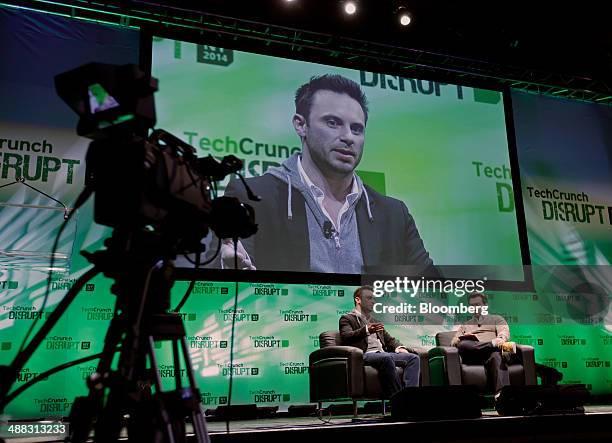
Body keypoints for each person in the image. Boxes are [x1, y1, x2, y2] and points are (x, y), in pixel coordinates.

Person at [221, 74, 432, 273]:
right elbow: (222, 286)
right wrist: (227, 272)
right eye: (333, 123)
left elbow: (437, 293)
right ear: (301, 125)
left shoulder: (394, 214)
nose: (348, 137)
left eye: (357, 129)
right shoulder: (251, 197)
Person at [339, 285, 421, 398]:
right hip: (364, 355)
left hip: (383, 354)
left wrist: (399, 347)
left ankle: (410, 397)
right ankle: (399, 400)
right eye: (369, 298)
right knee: (387, 357)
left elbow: (390, 340)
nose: (373, 301)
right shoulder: (347, 319)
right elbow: (346, 336)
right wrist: (366, 330)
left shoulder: (374, 321)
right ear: (358, 300)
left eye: (374, 299)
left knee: (413, 358)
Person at [450, 292, 516, 397]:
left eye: (477, 305)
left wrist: (500, 340)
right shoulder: (465, 325)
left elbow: (504, 333)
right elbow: (454, 342)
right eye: (472, 306)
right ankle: (491, 344)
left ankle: (502, 395)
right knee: (463, 344)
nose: (474, 308)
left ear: (485, 305)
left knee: (497, 355)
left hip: (491, 354)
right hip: (474, 356)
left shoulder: (496, 319)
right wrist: (462, 338)